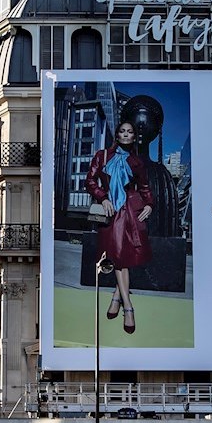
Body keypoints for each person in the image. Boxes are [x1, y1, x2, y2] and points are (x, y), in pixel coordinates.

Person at [84, 119, 156, 334]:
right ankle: (129, 307)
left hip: (131, 211)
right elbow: (90, 181)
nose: (126, 134)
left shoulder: (137, 162)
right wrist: (103, 198)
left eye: (129, 132)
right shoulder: (102, 156)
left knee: (125, 258)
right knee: (117, 258)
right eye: (122, 131)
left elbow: (144, 187)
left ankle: (118, 297)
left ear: (134, 137)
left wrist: (150, 205)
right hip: (111, 212)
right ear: (117, 135)